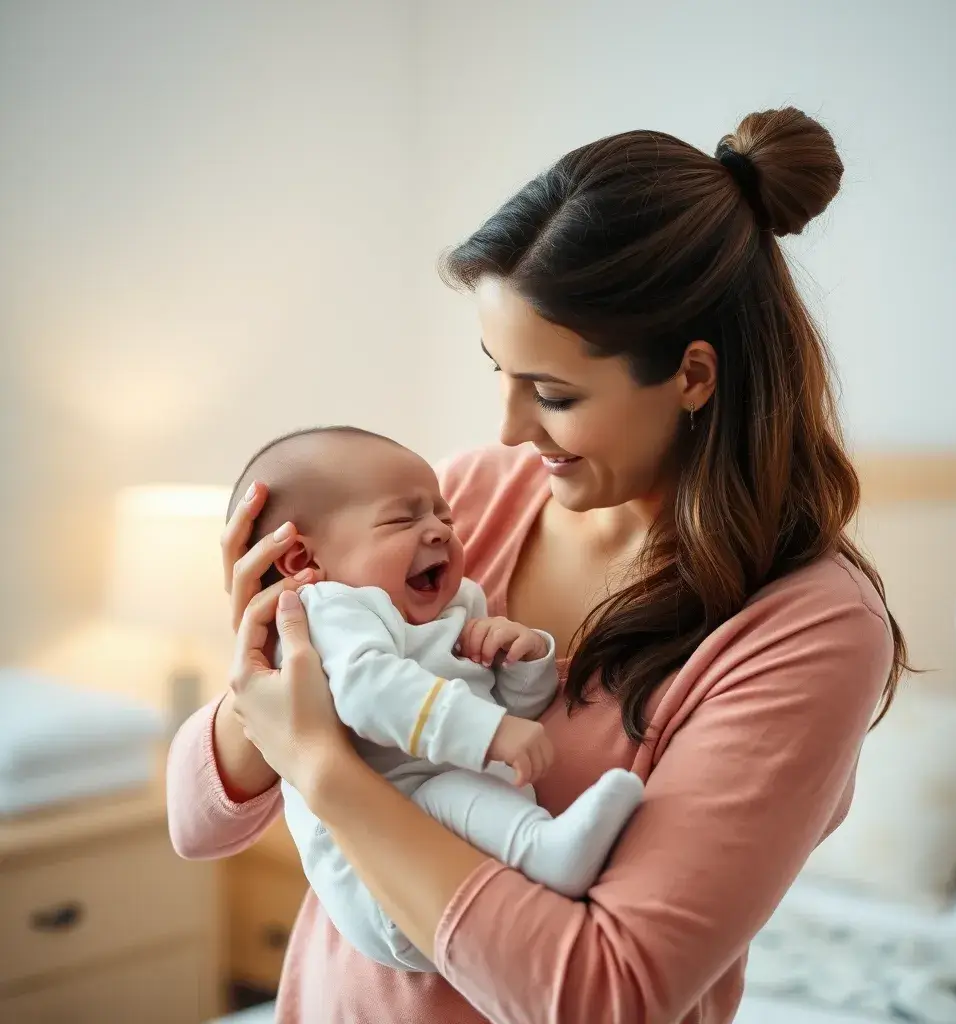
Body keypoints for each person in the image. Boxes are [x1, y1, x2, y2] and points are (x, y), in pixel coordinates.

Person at [167, 106, 907, 1024]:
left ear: (693, 376)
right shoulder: (466, 501)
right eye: (500, 375)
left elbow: (607, 995)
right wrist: (261, 671)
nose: (512, 432)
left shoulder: (805, 629)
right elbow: (199, 827)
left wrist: (321, 766)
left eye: (552, 394)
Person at [225, 425, 644, 972]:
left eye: (445, 518)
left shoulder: (457, 606)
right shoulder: (329, 610)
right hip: (379, 884)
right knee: (452, 787)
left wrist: (523, 658)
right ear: (301, 557)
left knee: (464, 786)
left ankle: (539, 847)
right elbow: (369, 692)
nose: (440, 532)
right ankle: (545, 850)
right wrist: (489, 733)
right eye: (404, 519)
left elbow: (516, 714)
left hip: (446, 870)